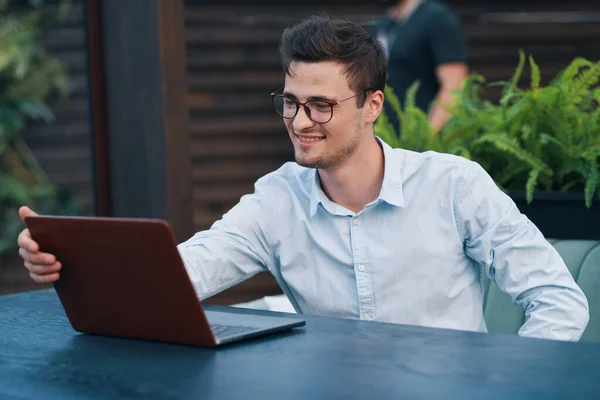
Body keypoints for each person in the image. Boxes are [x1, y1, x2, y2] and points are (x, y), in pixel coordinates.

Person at [17, 16, 588, 341]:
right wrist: (71, 262)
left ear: (372, 105)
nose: (299, 122)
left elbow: (560, 301)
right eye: (290, 103)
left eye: (321, 105)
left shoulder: (455, 185)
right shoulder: (275, 200)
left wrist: (505, 383)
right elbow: (183, 274)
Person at [372, 0, 469, 133]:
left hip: (421, 142)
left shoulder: (437, 18)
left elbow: (454, 86)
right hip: (387, 140)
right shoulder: (384, 23)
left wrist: (426, 137)